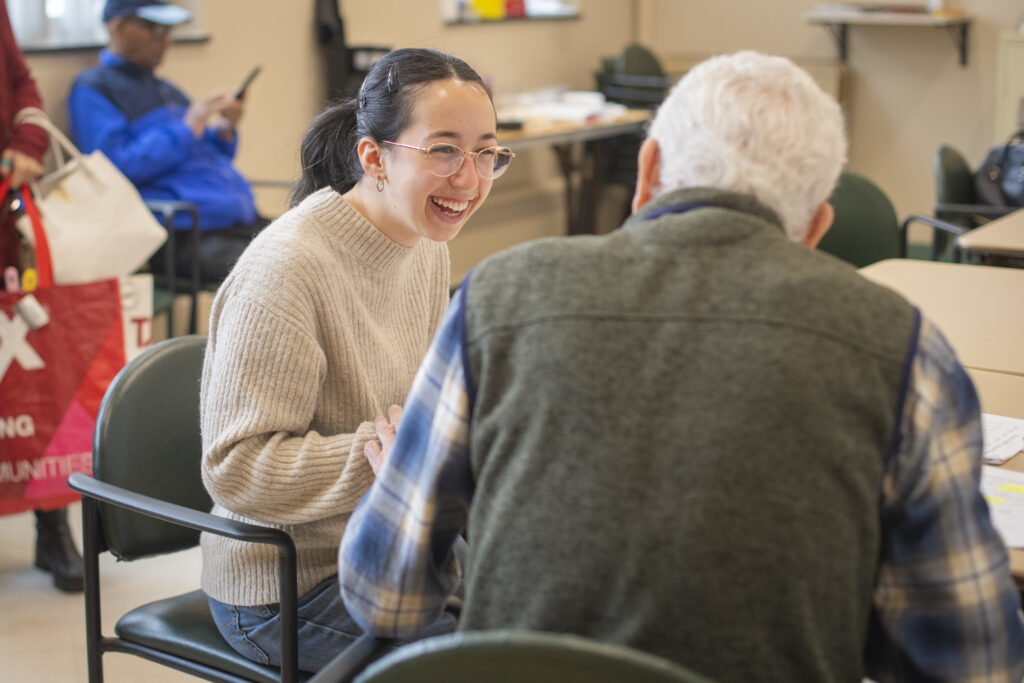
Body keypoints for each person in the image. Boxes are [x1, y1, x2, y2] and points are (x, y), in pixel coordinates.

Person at [339, 51, 1024, 682]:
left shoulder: (495, 297)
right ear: (816, 228)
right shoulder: (905, 349)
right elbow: (974, 662)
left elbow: (384, 595)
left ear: (648, 171)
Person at [199, 48, 512, 673]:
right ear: (374, 158)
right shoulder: (287, 269)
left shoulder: (423, 243)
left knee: (551, 608)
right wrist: (385, 455)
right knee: (485, 662)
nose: (469, 179)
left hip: (392, 545)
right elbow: (235, 469)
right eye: (444, 150)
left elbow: (415, 404)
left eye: (486, 153)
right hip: (285, 585)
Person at [67, 0, 268, 284]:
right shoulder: (95, 89)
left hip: (234, 220)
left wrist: (226, 129)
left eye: (169, 30)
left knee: (312, 247)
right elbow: (114, 168)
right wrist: (188, 127)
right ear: (119, 27)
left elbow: (206, 153)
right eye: (155, 28)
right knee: (280, 267)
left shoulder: (167, 90)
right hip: (183, 234)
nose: (166, 39)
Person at [0, 0, 85, 594]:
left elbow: (20, 81)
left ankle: (52, 527)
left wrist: (29, 139)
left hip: (8, 217)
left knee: (36, 370)